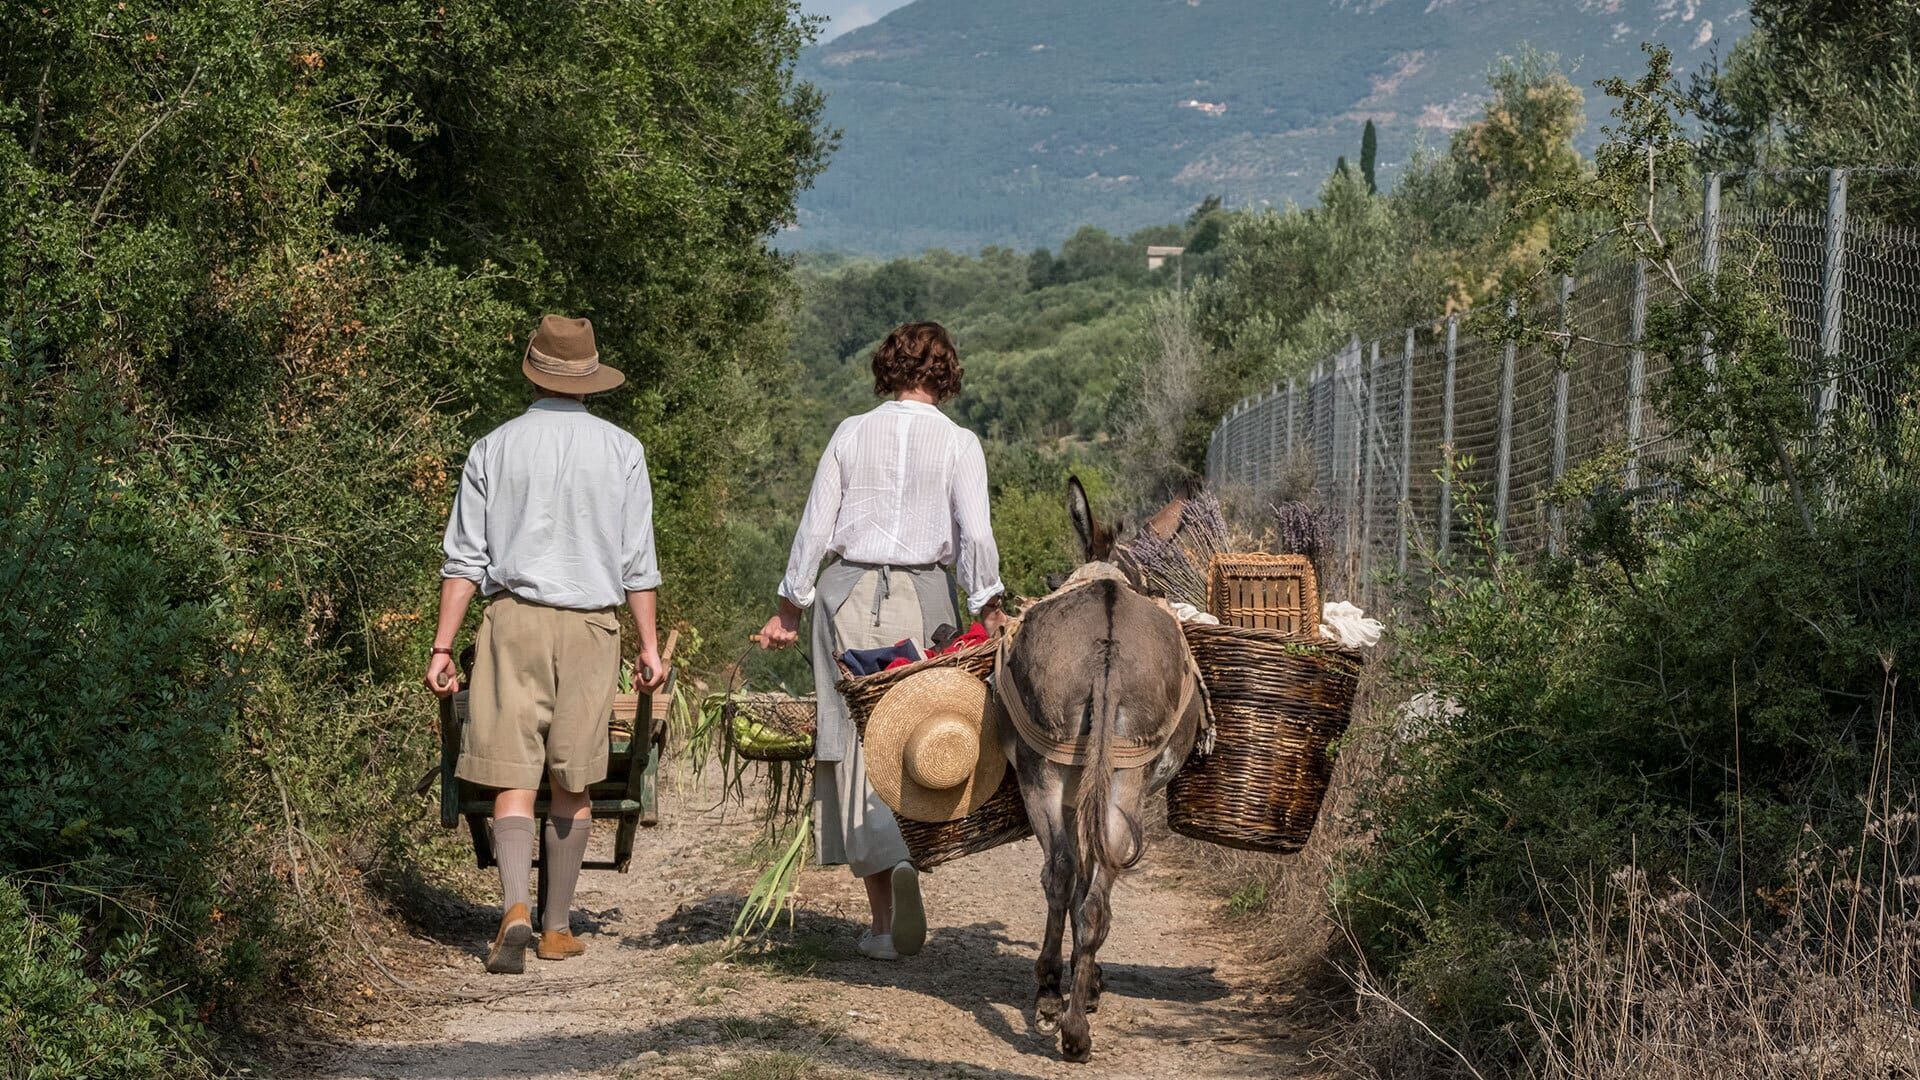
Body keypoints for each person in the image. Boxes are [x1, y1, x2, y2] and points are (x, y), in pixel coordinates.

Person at [425, 314, 667, 975]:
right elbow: (636, 562)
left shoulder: (492, 447)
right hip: (591, 626)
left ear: (534, 370)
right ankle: (558, 927)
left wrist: (443, 648)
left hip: (512, 620)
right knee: (575, 776)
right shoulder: (623, 450)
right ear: (589, 377)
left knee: (510, 772)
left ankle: (513, 909)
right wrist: (648, 649)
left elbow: (464, 560)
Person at [758, 321, 1007, 961]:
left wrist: (789, 607)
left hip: (843, 594)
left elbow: (816, 527)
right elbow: (975, 537)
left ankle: (879, 922)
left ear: (888, 367)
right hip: (924, 600)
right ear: (947, 373)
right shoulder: (960, 442)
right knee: (918, 735)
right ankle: (908, 859)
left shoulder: (850, 432)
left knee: (850, 744)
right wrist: (988, 607)